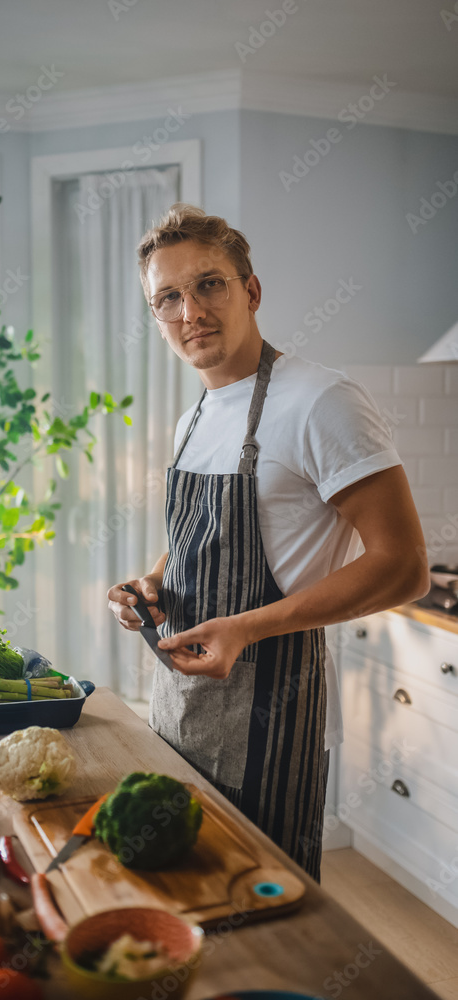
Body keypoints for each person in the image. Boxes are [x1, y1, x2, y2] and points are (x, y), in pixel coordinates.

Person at [107, 204, 429, 881]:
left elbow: (403, 569)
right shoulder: (191, 417)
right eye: (167, 297)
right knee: (185, 893)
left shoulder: (320, 401)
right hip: (182, 702)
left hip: (270, 718)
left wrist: (244, 630)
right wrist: (154, 583)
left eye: (208, 284)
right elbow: (201, 537)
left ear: (250, 291)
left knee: (261, 914)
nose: (189, 311)